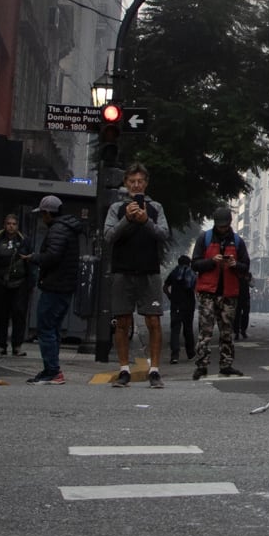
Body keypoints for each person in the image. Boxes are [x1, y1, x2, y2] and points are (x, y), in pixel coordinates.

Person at [104, 164, 171, 389]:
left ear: (146, 183)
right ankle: (124, 370)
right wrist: (128, 219)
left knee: (153, 321)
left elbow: (163, 234)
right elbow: (109, 236)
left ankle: (154, 371)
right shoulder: (116, 208)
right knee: (122, 322)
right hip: (122, 271)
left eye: (140, 181)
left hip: (149, 272)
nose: (136, 185)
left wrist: (145, 220)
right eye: (132, 181)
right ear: (126, 183)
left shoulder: (156, 207)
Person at [25, 196, 83, 385]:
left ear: (48, 213)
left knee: (46, 327)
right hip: (63, 285)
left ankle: (52, 370)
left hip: (55, 285)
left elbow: (53, 256)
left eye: (43, 214)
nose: (42, 218)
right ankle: (51, 368)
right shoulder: (68, 229)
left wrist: (34, 257)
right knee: (53, 328)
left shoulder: (58, 229)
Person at [190, 207, 251, 380]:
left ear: (230, 224)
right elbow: (195, 264)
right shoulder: (205, 238)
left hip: (229, 293)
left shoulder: (238, 241)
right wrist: (211, 261)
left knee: (227, 331)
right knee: (205, 331)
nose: (222, 229)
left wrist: (235, 264)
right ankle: (201, 365)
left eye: (225, 226)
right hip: (207, 292)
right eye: (219, 226)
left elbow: (246, 267)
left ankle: (226, 365)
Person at [0, 214, 33, 356]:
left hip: (19, 282)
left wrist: (31, 282)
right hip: (1, 281)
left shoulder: (24, 240)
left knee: (19, 314)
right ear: (4, 224)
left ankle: (17, 345)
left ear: (17, 225)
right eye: (8, 223)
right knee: (1, 315)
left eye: (13, 224)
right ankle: (1, 345)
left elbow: (30, 262)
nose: (11, 226)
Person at [164, 253, 197, 364]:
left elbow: (165, 286)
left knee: (175, 330)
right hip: (189, 305)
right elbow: (196, 288)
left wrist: (170, 296)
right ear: (189, 263)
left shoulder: (174, 272)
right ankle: (191, 353)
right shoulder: (192, 274)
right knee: (188, 329)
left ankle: (175, 356)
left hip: (176, 304)